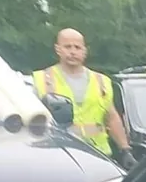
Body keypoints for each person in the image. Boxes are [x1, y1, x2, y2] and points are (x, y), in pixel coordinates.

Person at [32, 29, 129, 161]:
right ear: (57, 49)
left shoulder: (101, 81)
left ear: (84, 51)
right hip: (59, 154)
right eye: (67, 47)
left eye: (77, 47)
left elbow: (111, 118)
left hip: (99, 155)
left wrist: (125, 149)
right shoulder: (41, 79)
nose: (73, 52)